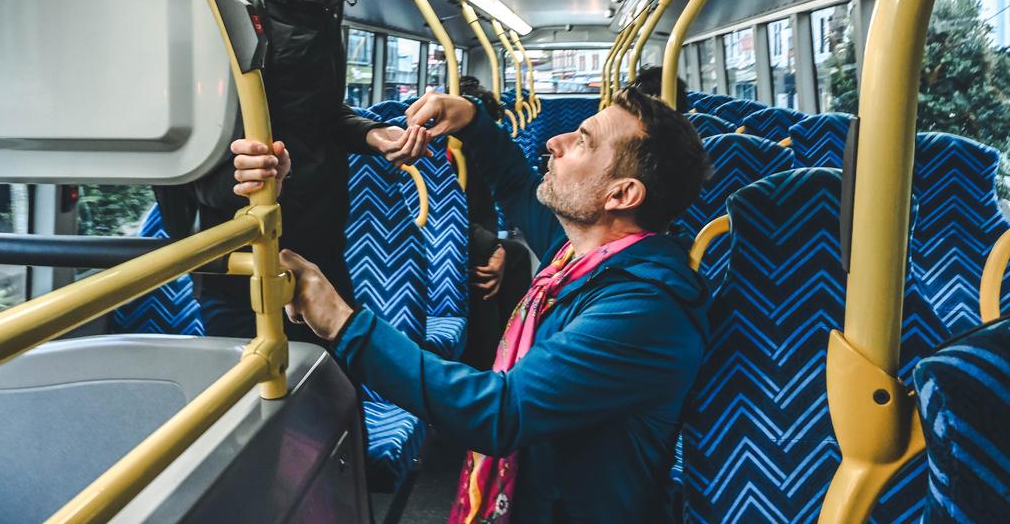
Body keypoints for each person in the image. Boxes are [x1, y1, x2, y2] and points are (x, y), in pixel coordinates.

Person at [232, 87, 711, 522]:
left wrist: (342, 322)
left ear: (621, 194)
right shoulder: (587, 253)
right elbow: (517, 188)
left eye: (583, 141)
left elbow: (500, 413)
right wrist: (472, 119)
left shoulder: (645, 309)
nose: (555, 142)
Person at [155, 0, 431, 341]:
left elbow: (318, 111)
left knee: (339, 401)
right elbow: (176, 124)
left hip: (316, 240)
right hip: (242, 251)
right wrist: (234, 176)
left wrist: (371, 134)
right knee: (271, 409)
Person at [457, 75, 532, 369]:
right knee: (504, 258)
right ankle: (502, 358)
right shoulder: (454, 155)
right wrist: (490, 244)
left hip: (466, 237)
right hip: (456, 243)